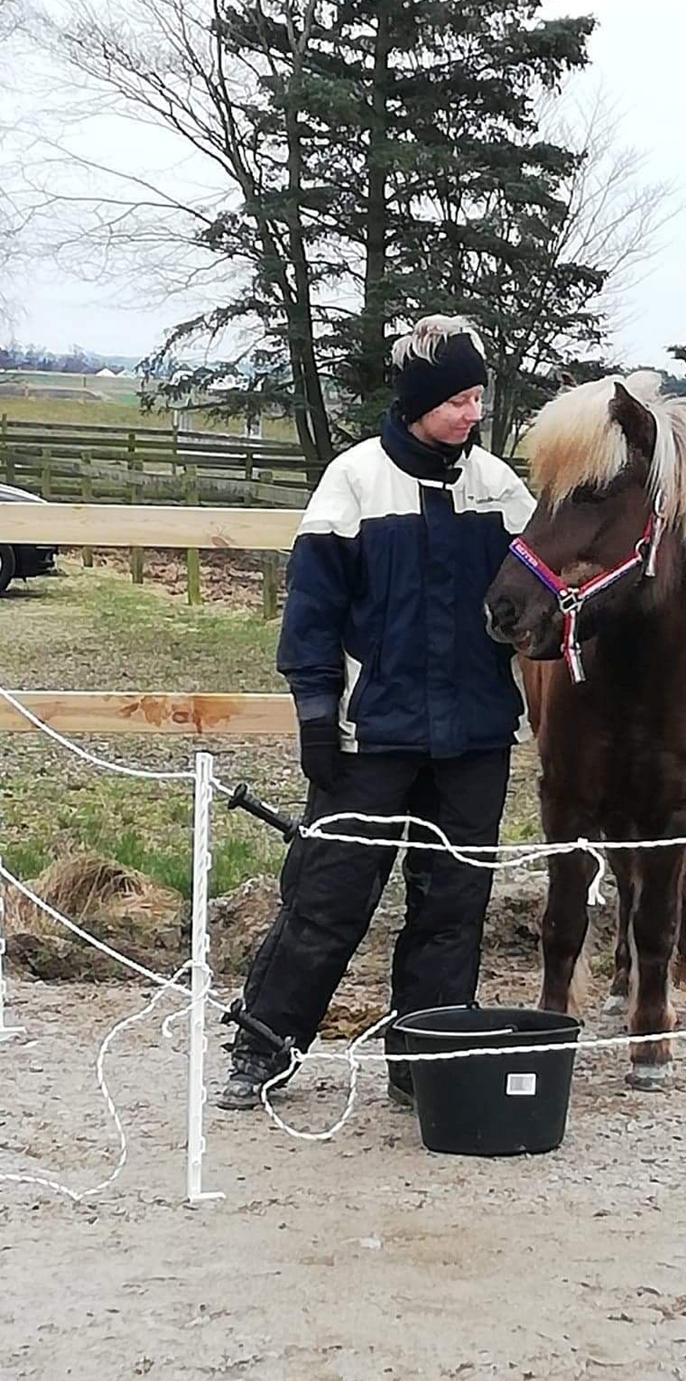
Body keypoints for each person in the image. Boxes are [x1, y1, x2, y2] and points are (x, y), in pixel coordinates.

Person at [218, 315, 535, 1110]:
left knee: (453, 909)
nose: (472, 414)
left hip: (473, 738)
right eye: (458, 399)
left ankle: (423, 1062)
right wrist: (317, 715)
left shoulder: (501, 489)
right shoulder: (354, 481)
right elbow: (313, 614)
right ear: (421, 399)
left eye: (476, 398)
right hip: (372, 738)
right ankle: (263, 1049)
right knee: (327, 900)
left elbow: (548, 596)